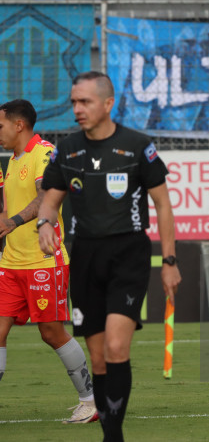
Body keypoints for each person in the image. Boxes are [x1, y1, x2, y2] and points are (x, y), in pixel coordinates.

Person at [38, 72, 181, 441]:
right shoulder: (66, 149)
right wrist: (43, 224)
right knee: (98, 357)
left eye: (84, 102)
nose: (76, 109)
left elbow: (163, 205)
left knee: (118, 347)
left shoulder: (137, 145)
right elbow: (51, 200)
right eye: (73, 102)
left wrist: (169, 262)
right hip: (84, 256)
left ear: (107, 104)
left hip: (128, 253)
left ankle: (112, 436)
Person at [0, 100, 97, 424]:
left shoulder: (43, 152)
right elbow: (7, 205)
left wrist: (12, 221)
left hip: (44, 261)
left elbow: (47, 196)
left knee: (52, 333)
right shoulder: (12, 160)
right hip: (11, 262)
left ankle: (90, 400)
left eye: (0, 125)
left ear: (18, 125)